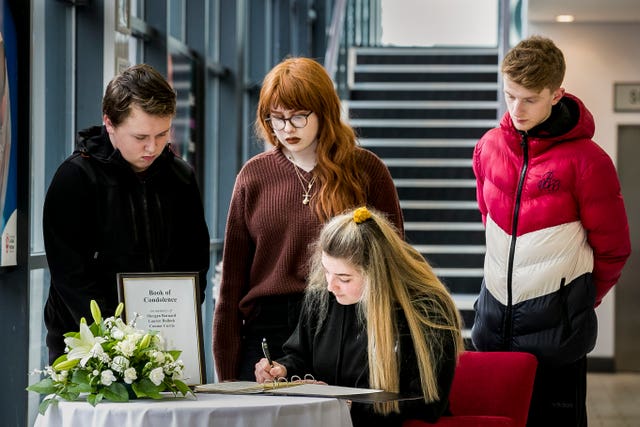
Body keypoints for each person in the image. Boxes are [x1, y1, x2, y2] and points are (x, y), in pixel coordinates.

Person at [471, 35, 631, 427]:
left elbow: (614, 250)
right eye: (509, 95)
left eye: (529, 99)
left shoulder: (589, 162)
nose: (516, 108)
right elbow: (489, 223)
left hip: (558, 340)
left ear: (556, 93)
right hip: (492, 328)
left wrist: (573, 302)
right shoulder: (488, 147)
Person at [213, 57, 404, 381]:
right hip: (266, 332)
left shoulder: (366, 171)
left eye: (299, 117)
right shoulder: (254, 176)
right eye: (277, 119)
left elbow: (393, 265)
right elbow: (231, 286)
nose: (287, 129)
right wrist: (227, 376)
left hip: (342, 324)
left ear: (324, 111)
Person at [43, 63, 211, 364]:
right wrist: (114, 338)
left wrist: (180, 316)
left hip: (166, 339)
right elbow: (69, 276)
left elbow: (194, 261)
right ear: (109, 123)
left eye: (162, 134)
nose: (152, 147)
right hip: (85, 344)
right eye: (140, 137)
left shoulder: (181, 178)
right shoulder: (76, 178)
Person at [254, 207, 464, 427]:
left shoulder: (426, 311)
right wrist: (282, 369)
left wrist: (349, 403)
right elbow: (301, 357)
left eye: (344, 278)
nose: (330, 286)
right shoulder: (324, 297)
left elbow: (428, 403)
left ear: (377, 274)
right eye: (326, 271)